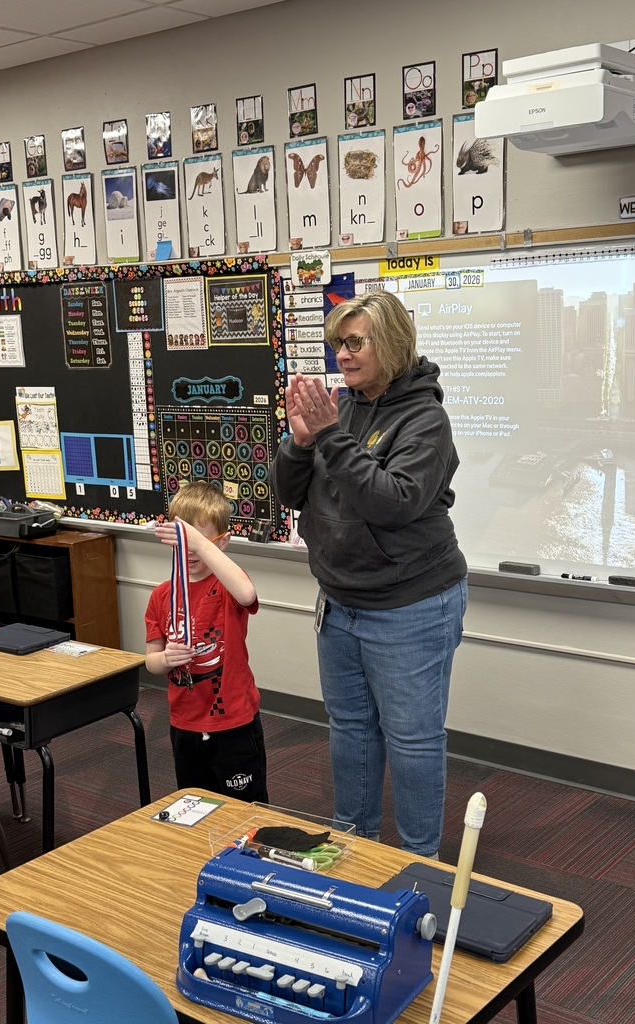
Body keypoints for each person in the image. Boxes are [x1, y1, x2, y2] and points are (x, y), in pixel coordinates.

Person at [269, 290, 467, 857]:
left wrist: (329, 434)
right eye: (338, 344)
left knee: (411, 741)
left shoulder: (427, 419)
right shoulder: (345, 407)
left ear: (392, 343)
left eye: (355, 342)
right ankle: (353, 849)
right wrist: (301, 443)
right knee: (350, 730)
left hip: (412, 604)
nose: (343, 355)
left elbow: (392, 502)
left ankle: (416, 862)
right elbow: (290, 494)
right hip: (340, 601)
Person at [145, 481, 268, 802]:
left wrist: (201, 544)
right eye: (182, 543)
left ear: (221, 542)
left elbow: (247, 594)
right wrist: (166, 658)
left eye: (197, 544)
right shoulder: (162, 595)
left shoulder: (226, 585)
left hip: (233, 722)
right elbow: (151, 660)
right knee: (195, 805)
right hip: (185, 721)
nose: (189, 552)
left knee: (246, 808)